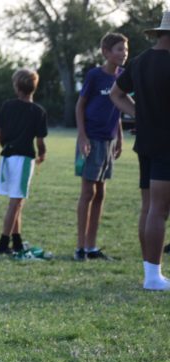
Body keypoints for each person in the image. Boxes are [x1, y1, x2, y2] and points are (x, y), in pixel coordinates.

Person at [110, 11, 170, 290]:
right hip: (166, 145)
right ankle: (153, 278)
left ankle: (150, 273)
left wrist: (139, 115)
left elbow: (115, 94)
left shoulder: (139, 61)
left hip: (145, 142)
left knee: (148, 208)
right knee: (159, 210)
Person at [74, 32, 129, 261]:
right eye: (119, 49)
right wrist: (82, 137)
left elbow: (117, 108)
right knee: (88, 192)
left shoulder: (123, 76)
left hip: (109, 140)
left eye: (126, 50)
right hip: (91, 139)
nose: (123, 54)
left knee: (101, 193)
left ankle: (92, 247)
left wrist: (120, 137)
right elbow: (80, 106)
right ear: (106, 52)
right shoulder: (95, 75)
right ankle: (79, 248)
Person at [0, 68, 48, 257]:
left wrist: (5, 145)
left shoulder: (7, 106)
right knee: (16, 202)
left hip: (7, 157)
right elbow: (40, 140)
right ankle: (2, 244)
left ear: (16, 86)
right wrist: (42, 154)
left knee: (16, 199)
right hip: (24, 158)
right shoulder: (38, 111)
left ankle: (16, 241)